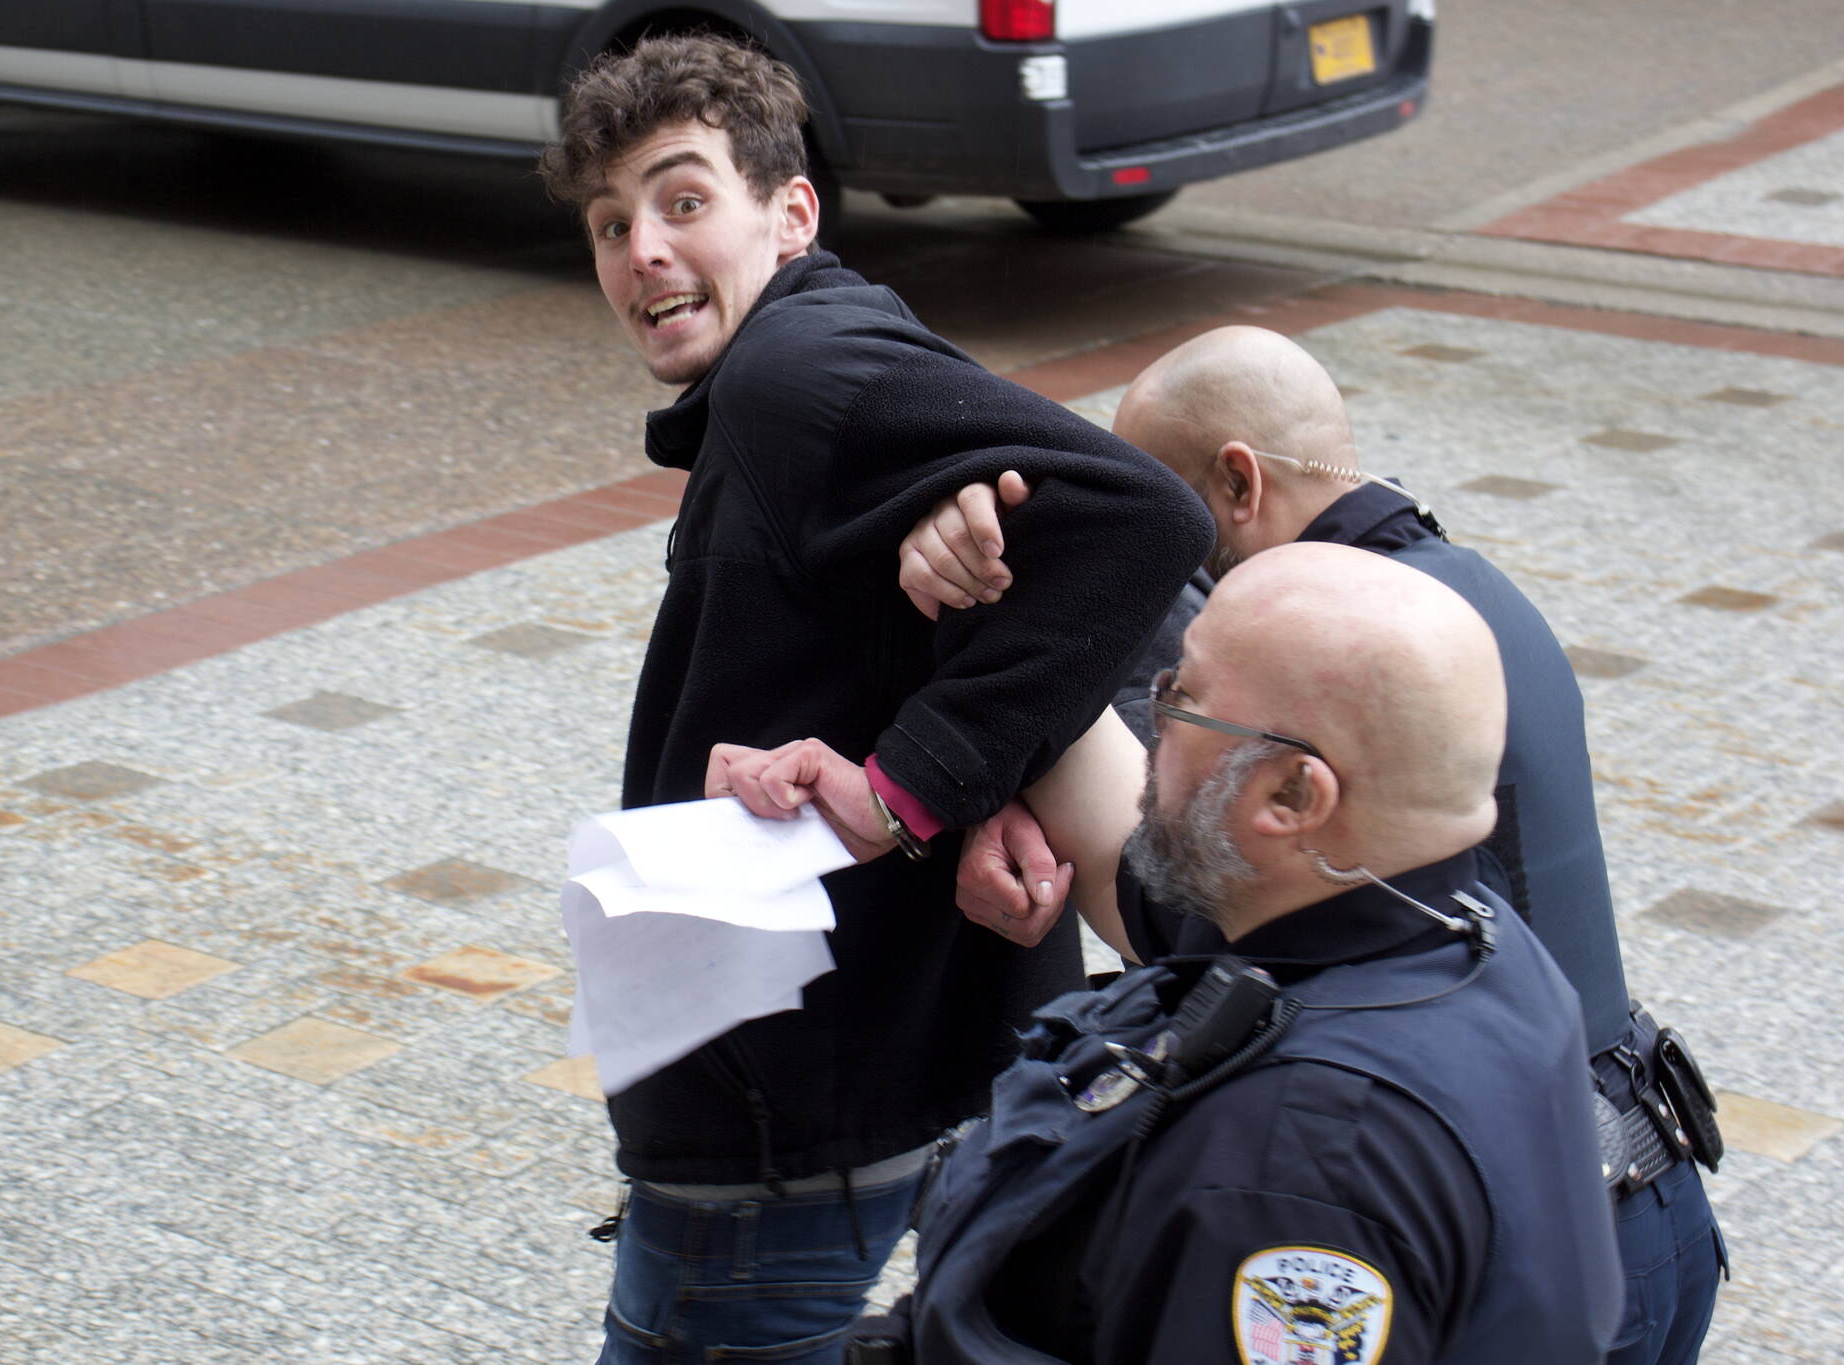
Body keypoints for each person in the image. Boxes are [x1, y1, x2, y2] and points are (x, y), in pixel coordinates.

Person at [537, 35, 1212, 1362]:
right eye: (612, 224)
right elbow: (989, 584)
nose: (641, 253)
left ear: (792, 214)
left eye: (683, 202)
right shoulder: (803, 368)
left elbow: (1143, 518)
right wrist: (981, 777)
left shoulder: (798, 376)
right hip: (896, 1061)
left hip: (784, 1116)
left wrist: (911, 785)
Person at [899, 325, 1724, 1364]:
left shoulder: (1301, 1149)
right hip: (1625, 1206)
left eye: (1179, 703)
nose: (1147, 561)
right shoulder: (1441, 597)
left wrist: (1010, 582)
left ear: (1236, 483)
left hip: (1498, 1233)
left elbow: (1162, 891)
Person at [722, 544, 1626, 1362]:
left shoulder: (1299, 1159)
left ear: (1292, 793)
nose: (1153, 731)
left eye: (1180, 699)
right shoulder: (1467, 936)